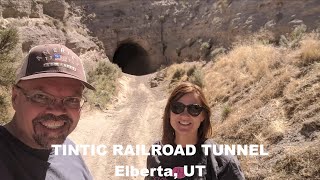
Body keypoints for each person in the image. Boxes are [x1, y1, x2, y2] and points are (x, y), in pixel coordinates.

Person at [0, 44, 95, 180]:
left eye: (72, 100)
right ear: (15, 97)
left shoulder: (69, 148)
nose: (57, 111)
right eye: (41, 97)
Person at [146, 82, 245, 180]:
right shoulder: (156, 152)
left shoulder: (222, 161)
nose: (184, 116)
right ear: (169, 113)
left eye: (194, 109)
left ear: (203, 116)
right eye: (177, 107)